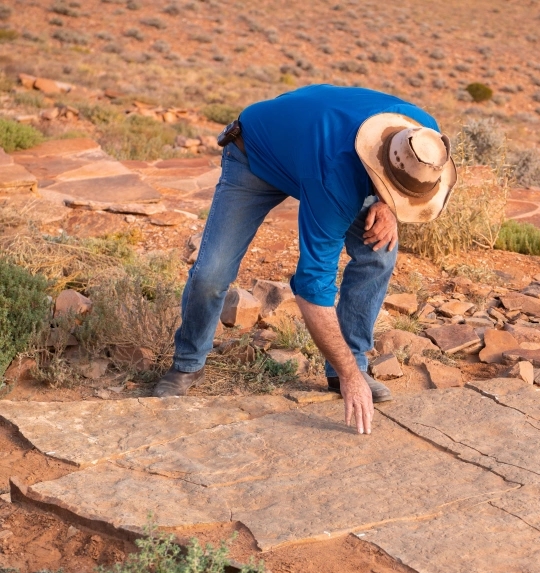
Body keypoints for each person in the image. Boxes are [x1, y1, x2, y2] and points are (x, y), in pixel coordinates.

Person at [152, 84, 458, 435]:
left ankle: (346, 368)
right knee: (212, 271)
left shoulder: (423, 136)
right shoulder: (334, 177)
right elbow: (312, 287)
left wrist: (388, 205)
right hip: (255, 154)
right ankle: (188, 363)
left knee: (379, 254)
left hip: (317, 147)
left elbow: (405, 177)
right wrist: (351, 379)